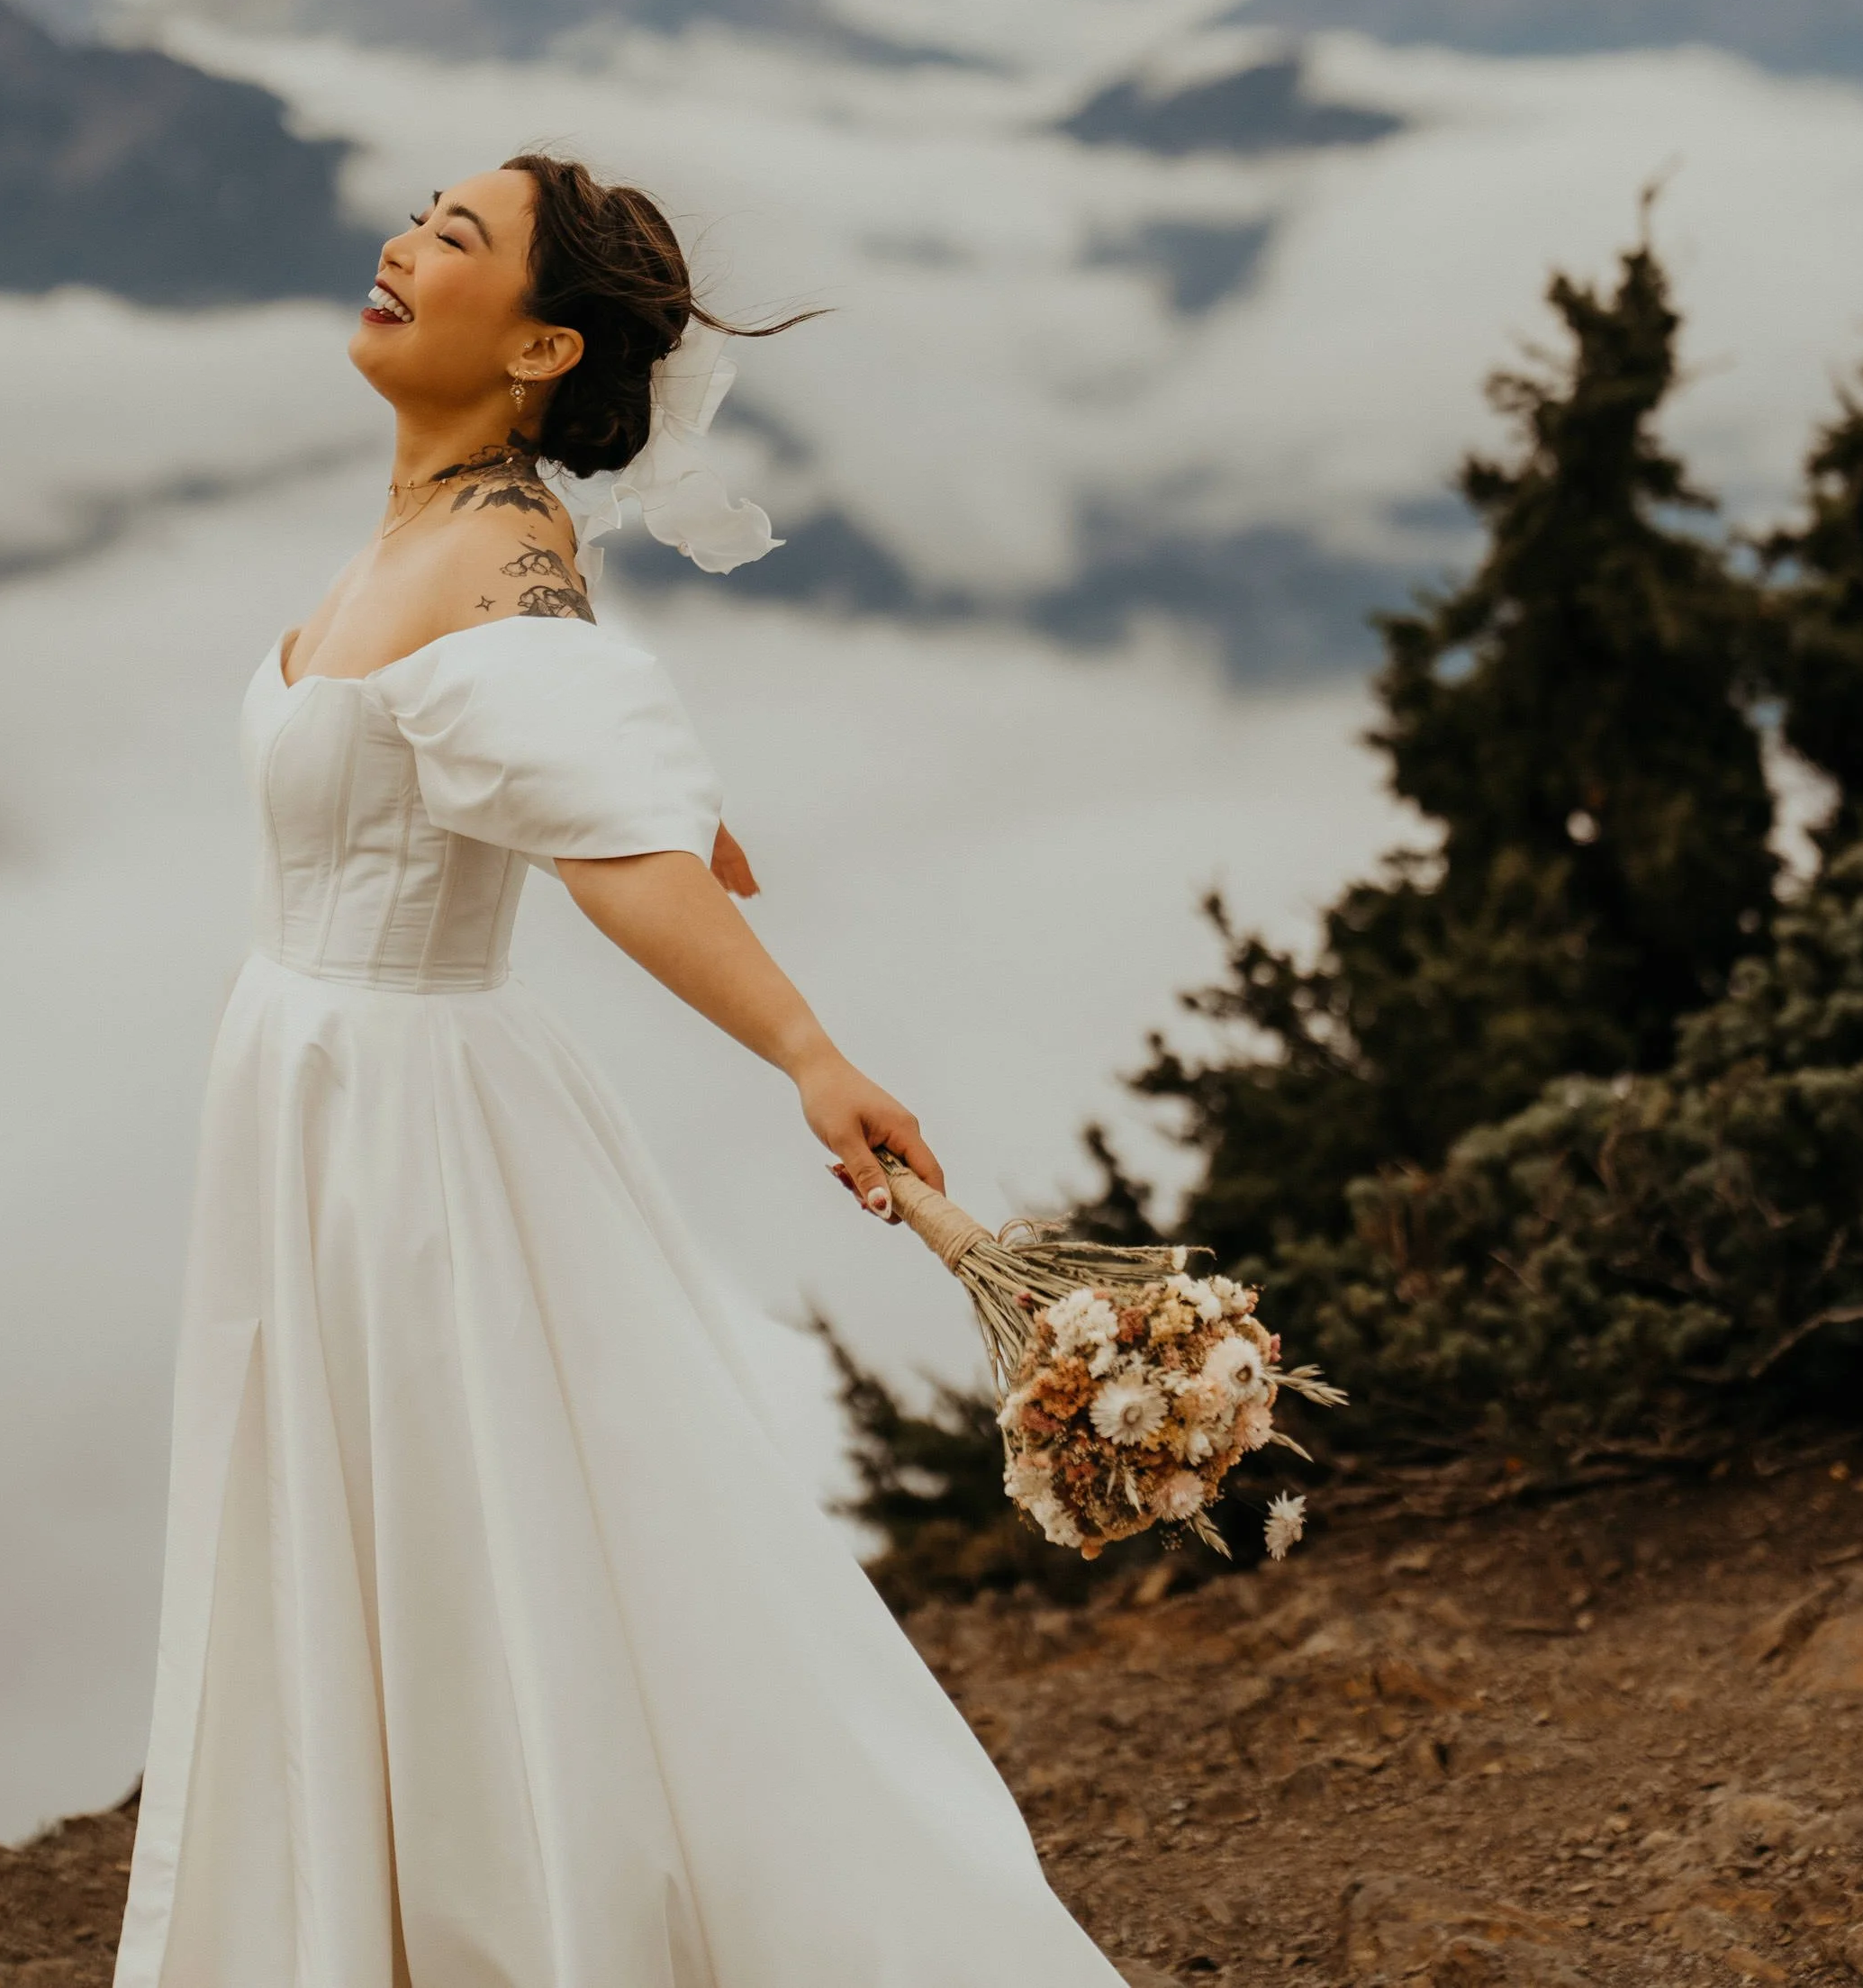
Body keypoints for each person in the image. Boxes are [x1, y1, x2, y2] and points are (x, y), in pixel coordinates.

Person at [113, 152, 1122, 1986]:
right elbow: (538, 763)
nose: (402, 243)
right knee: (397, 1528)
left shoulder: (500, 557)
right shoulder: (431, 534)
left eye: (458, 237)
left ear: (540, 348)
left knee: (461, 1541)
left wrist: (807, 1053)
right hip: (316, 1092)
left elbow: (615, 854)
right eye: (420, 212)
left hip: (403, 1121)